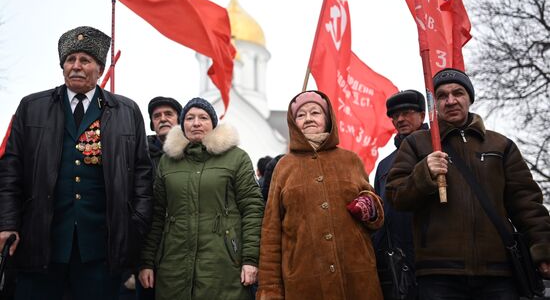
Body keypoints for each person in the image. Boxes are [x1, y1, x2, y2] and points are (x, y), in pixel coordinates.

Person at [0, 26, 153, 300]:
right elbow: (10, 173)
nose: (76, 67)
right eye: (70, 60)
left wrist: (134, 227)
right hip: (40, 244)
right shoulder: (32, 107)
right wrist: (7, 223)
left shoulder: (126, 112)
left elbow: (142, 175)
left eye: (85, 60)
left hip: (101, 251)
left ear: (100, 68)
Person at [386, 68, 550, 299]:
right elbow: (395, 196)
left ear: (469, 97)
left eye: (458, 93)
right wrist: (423, 174)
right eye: (442, 96)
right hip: (438, 274)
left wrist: (543, 249)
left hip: (499, 274)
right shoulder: (416, 144)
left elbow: (527, 204)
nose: (451, 101)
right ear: (435, 104)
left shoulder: (501, 145)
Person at [257, 90, 384, 300]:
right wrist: (270, 289)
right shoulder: (283, 167)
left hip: (356, 278)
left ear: (327, 118)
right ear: (293, 123)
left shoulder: (350, 160)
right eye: (300, 114)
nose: (308, 119)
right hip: (304, 282)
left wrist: (370, 206)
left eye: (315, 112)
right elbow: (271, 232)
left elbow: (375, 215)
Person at [138, 97, 264, 300]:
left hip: (224, 266)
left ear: (213, 124)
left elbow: (252, 209)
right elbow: (157, 215)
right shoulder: (168, 162)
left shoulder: (236, 158)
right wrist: (147, 262)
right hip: (174, 266)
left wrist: (251, 259)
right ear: (182, 124)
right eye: (190, 118)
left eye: (203, 117)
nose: (196, 123)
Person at [373, 90, 427, 299]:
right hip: (398, 262)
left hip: (438, 260)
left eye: (407, 112)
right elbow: (382, 214)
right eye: (395, 115)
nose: (400, 119)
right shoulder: (384, 165)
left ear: (422, 115)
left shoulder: (438, 149)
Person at [133, 96, 182, 300]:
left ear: (180, 120)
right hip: (148, 246)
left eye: (169, 114)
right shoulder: (138, 155)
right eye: (157, 116)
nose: (162, 119)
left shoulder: (192, 154)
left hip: (180, 246)